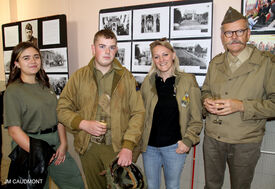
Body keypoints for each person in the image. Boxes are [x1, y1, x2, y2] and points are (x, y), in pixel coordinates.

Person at [56, 29, 145, 189]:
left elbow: (138, 113)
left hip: (117, 147)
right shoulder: (79, 77)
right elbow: (62, 108)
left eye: (112, 47)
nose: (107, 51)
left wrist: (128, 146)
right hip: (88, 146)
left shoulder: (127, 77)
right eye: (102, 46)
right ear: (93, 48)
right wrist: (83, 123)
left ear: (116, 50)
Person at [201, 6, 275, 189]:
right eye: (228, 33)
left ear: (248, 33)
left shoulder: (266, 64)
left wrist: (241, 106)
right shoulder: (215, 63)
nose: (234, 37)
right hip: (212, 139)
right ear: (222, 36)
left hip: (245, 141)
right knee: (211, 186)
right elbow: (205, 91)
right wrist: (206, 102)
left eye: (239, 31)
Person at [3, 42, 85, 189]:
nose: (33, 61)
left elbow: (58, 117)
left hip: (56, 145)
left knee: (75, 183)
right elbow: (14, 130)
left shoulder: (46, 86)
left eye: (36, 57)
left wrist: (64, 143)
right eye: (26, 58)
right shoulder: (13, 91)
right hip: (30, 147)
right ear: (17, 63)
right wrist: (40, 153)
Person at [140, 38, 203, 189]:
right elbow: (140, 116)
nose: (161, 60)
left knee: (173, 186)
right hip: (149, 148)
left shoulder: (188, 81)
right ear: (153, 60)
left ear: (173, 55)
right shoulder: (147, 83)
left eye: (165, 54)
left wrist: (187, 141)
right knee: (152, 186)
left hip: (175, 147)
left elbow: (196, 118)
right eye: (156, 56)